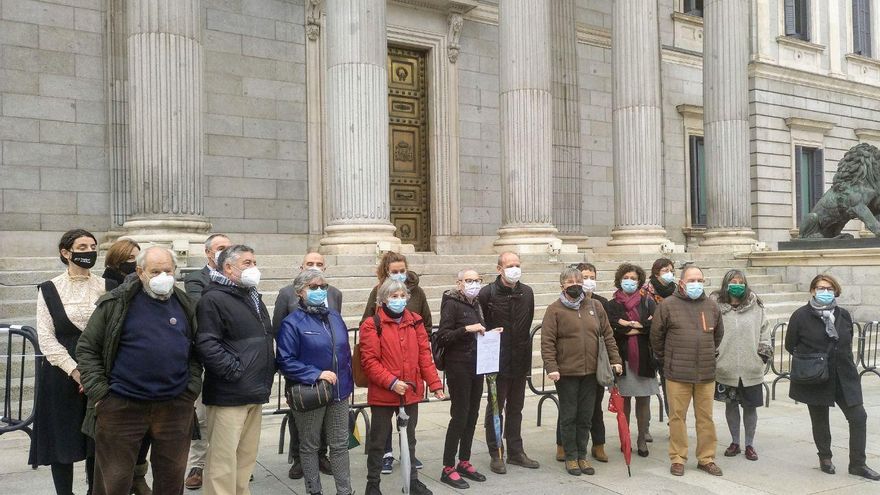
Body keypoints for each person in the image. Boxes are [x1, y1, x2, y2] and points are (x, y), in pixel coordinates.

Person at [77, 246, 202, 495]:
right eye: (155, 271)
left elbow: (195, 352)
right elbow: (87, 348)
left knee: (171, 480)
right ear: (140, 272)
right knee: (114, 482)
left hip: (174, 406)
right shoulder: (116, 303)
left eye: (167, 270)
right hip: (122, 406)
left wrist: (191, 389)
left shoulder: (185, 304)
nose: (162, 276)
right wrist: (101, 394)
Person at [29, 229, 105, 495]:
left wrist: (93, 373)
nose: (89, 251)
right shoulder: (49, 289)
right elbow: (46, 338)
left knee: (99, 439)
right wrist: (75, 371)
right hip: (61, 373)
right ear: (66, 252)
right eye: (82, 246)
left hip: (100, 370)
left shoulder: (106, 286)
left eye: (93, 246)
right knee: (62, 438)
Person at [196, 245, 275, 495]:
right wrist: (235, 372)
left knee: (245, 459)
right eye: (247, 263)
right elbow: (207, 344)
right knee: (222, 462)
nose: (253, 268)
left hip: (255, 390)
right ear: (228, 268)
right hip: (230, 393)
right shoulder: (213, 298)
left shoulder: (252, 296)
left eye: (254, 262)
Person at [784, 274, 880, 480]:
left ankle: (858, 463)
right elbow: (790, 344)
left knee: (858, 417)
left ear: (835, 291)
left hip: (844, 375)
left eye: (829, 288)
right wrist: (814, 360)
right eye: (820, 288)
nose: (824, 292)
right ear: (812, 291)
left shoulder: (843, 315)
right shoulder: (800, 315)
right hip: (817, 375)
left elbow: (847, 341)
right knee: (820, 420)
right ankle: (825, 458)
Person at [359, 279, 445, 495]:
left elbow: (424, 356)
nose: (398, 300)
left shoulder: (415, 321)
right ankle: (373, 484)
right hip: (384, 392)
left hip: (410, 390)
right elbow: (370, 361)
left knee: (410, 439)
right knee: (378, 441)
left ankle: (412, 480)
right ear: (383, 299)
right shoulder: (372, 324)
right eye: (393, 296)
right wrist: (391, 382)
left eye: (402, 296)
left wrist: (435, 384)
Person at [276, 269, 354, 495]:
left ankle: (345, 491)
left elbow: (344, 352)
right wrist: (315, 373)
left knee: (340, 445)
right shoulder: (292, 323)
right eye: (313, 287)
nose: (320, 291)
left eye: (323, 287)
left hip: (339, 392)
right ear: (300, 292)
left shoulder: (334, 317)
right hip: (312, 392)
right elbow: (285, 359)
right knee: (309, 446)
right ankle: (314, 490)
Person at [541, 267, 622, 476]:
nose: (576, 284)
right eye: (570, 282)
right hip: (566, 373)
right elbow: (547, 341)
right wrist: (552, 367)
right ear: (562, 286)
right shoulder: (554, 309)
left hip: (591, 372)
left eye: (579, 280)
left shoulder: (595, 306)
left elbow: (608, 335)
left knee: (586, 416)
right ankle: (570, 456)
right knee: (569, 416)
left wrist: (615, 360)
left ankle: (582, 456)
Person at [360, 251, 431, 473]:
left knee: (408, 422)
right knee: (383, 421)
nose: (399, 275)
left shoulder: (417, 292)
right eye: (394, 272)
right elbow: (368, 322)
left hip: (409, 362)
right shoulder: (378, 292)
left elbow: (426, 322)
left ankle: (408, 455)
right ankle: (386, 455)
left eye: (402, 271)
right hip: (386, 365)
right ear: (386, 272)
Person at [650, 264, 724, 477]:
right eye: (691, 280)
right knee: (677, 417)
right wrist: (667, 359)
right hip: (677, 373)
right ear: (681, 282)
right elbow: (657, 337)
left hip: (705, 373)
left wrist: (708, 353)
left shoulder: (711, 306)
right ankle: (678, 458)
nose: (696, 284)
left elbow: (718, 335)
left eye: (699, 280)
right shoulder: (668, 305)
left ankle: (706, 458)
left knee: (705, 418)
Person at [99, 238, 153, 494]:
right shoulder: (107, 287)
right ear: (118, 259)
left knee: (145, 434)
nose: (135, 261)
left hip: (145, 372)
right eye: (131, 257)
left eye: (138, 256)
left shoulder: (144, 286)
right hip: (118, 373)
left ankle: (138, 476)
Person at [478, 252, 538, 474]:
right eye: (509, 265)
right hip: (496, 359)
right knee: (495, 407)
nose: (514, 269)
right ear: (499, 269)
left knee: (516, 407)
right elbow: (481, 323)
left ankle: (516, 451)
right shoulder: (487, 293)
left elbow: (528, 320)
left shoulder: (527, 292)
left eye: (517, 265)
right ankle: (496, 453)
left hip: (520, 358)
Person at [184, 232, 231, 490]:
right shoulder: (195, 279)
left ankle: (228, 464)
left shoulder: (243, 281)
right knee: (201, 416)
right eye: (221, 248)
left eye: (229, 248)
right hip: (204, 356)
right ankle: (198, 465)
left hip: (232, 354)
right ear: (208, 252)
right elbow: (200, 308)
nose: (225, 252)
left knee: (228, 415)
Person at [435, 269, 489, 489]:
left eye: (477, 280)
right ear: (459, 283)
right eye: (469, 280)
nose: (473, 284)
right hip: (458, 366)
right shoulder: (451, 303)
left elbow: (479, 330)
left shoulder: (476, 303)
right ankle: (447, 466)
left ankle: (464, 460)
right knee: (459, 415)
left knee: (472, 414)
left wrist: (491, 333)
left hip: (477, 364)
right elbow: (443, 336)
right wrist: (467, 329)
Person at [710, 270, 771, 462]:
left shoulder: (756, 305)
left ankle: (750, 444)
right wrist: (714, 355)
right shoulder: (715, 306)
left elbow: (765, 330)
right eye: (733, 281)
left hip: (750, 367)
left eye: (740, 281)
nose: (737, 284)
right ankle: (735, 442)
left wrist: (762, 355)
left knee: (750, 407)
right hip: (725, 367)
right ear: (726, 284)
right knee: (731, 406)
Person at [604, 263, 659, 458]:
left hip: (644, 358)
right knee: (624, 401)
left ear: (640, 281)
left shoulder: (647, 302)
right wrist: (635, 327)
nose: (630, 281)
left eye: (634, 278)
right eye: (626, 277)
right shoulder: (612, 304)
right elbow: (612, 327)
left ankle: (642, 438)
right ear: (620, 279)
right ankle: (624, 437)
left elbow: (654, 325)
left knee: (643, 400)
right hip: (622, 357)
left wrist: (628, 325)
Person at [574, 262, 610, 464]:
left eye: (592, 277)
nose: (589, 281)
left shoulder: (600, 303)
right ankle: (564, 445)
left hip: (597, 362)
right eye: (584, 277)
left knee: (595, 407)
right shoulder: (567, 301)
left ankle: (599, 445)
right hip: (575, 362)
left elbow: (608, 332)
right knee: (570, 408)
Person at [643, 257, 676, 435]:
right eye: (665, 270)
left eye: (671, 270)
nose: (669, 273)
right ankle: (645, 428)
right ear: (656, 272)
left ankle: (674, 425)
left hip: (669, 345)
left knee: (671, 388)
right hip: (648, 344)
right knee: (648, 387)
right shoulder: (645, 291)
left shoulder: (677, 290)